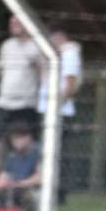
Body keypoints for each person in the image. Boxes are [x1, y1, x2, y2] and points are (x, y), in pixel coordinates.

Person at [0, 17, 41, 178]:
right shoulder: (7, 46)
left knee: (26, 143)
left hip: (26, 103)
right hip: (4, 102)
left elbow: (43, 74)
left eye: (18, 22)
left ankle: (29, 178)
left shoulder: (37, 46)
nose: (13, 25)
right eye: (11, 23)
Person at [36, 29, 84, 196]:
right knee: (48, 151)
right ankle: (46, 187)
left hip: (59, 112)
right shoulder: (52, 56)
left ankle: (59, 191)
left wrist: (56, 106)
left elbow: (70, 84)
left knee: (59, 152)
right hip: (47, 109)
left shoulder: (69, 54)